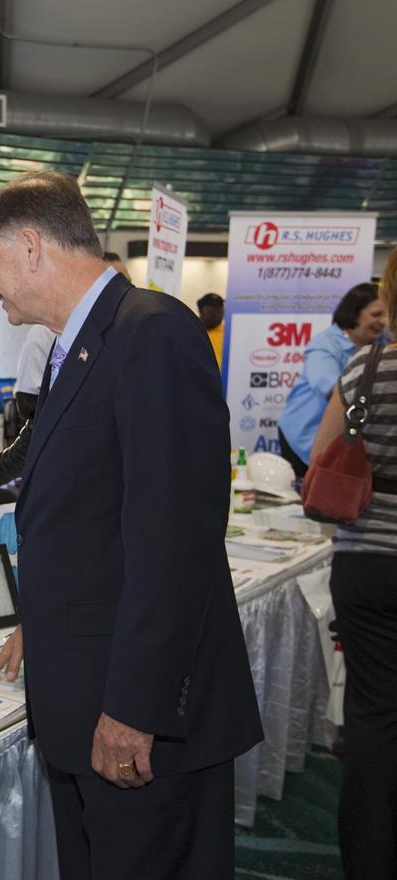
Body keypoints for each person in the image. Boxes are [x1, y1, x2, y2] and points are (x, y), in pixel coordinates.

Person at [0, 171, 262, 877]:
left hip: (139, 724)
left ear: (33, 247)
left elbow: (174, 543)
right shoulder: (79, 346)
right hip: (89, 707)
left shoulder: (152, 333)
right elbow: (96, 517)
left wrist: (135, 710)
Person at [310, 253, 397, 880]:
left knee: (371, 715)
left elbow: (321, 454)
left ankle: (367, 861)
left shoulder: (365, 364)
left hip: (364, 560)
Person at [279, 282, 386, 478]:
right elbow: (331, 390)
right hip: (305, 436)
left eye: (386, 314)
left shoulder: (382, 344)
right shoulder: (325, 345)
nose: (383, 321)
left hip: (348, 441)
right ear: (354, 313)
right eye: (376, 314)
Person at [197, 292, 225, 369]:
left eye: (220, 308)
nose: (217, 313)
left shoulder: (229, 335)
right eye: (212, 308)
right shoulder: (189, 331)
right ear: (200, 310)